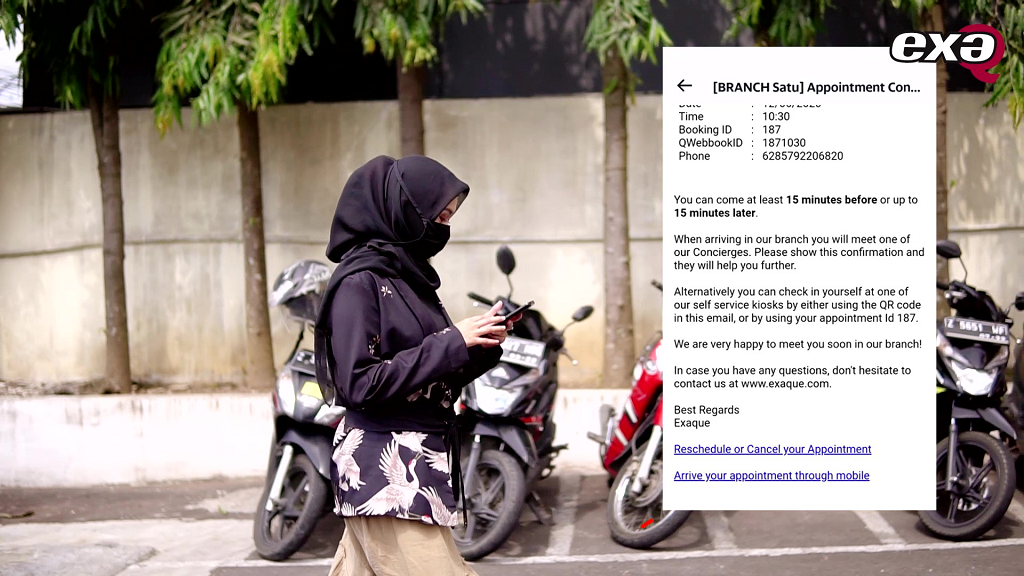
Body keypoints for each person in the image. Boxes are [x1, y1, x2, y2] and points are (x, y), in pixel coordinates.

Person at [314, 155, 516, 576]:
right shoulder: (360, 282)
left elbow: (427, 375)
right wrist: (451, 341)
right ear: (404, 209)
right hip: (383, 472)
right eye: (438, 217)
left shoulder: (411, 281)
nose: (443, 228)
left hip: (420, 461)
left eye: (448, 218)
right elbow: (358, 383)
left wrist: (478, 344)